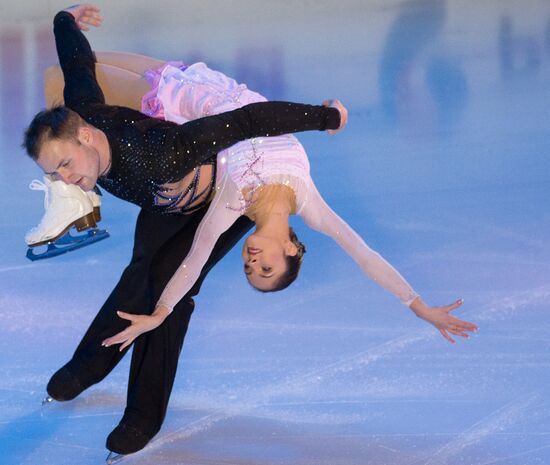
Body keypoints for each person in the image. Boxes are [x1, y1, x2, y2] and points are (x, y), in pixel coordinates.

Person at [23, 4, 346, 458]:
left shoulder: (166, 151)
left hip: (224, 198)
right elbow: (78, 65)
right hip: (166, 199)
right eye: (54, 173)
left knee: (172, 290)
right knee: (141, 273)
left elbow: (249, 120)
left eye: (64, 167)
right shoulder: (83, 114)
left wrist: (325, 117)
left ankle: (142, 415)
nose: (64, 179)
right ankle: (88, 366)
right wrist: (64, 19)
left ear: (87, 139)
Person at [99, 62, 478, 354]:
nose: (251, 261)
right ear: (292, 250)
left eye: (249, 269)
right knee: (84, 59)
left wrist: (161, 313)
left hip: (185, 102)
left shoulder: (231, 204)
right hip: (221, 88)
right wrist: (417, 305)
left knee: (77, 82)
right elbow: (365, 256)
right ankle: (72, 19)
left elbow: (193, 262)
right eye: (266, 267)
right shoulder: (310, 204)